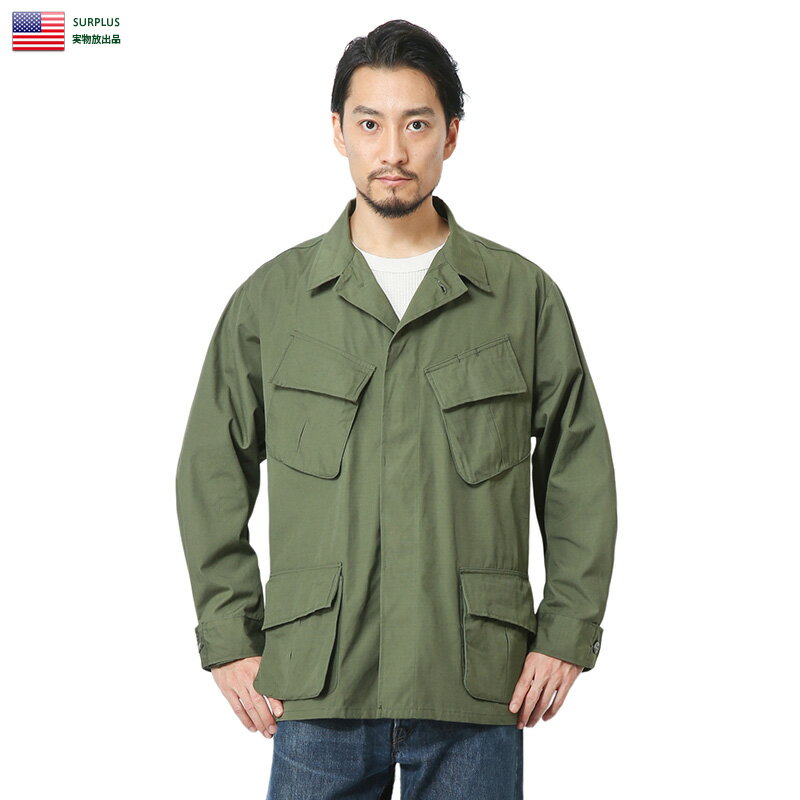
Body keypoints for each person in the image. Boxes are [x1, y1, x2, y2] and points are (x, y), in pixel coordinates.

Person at [175, 18, 618, 799]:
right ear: (337, 132)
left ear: (451, 135)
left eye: (416, 124)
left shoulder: (520, 298)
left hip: (476, 683)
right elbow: (211, 469)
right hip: (319, 684)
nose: (393, 151)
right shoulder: (274, 303)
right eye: (370, 123)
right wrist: (229, 638)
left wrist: (567, 632)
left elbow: (577, 471)